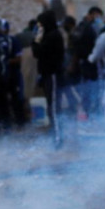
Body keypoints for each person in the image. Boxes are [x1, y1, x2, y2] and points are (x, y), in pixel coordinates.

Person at [32, 10, 65, 148]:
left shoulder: (53, 36)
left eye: (40, 25)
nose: (39, 27)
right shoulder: (50, 35)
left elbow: (39, 52)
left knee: (54, 107)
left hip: (53, 74)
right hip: (47, 74)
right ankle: (55, 134)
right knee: (51, 106)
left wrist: (36, 41)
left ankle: (58, 138)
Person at [70, 6, 104, 118]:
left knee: (94, 89)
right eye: (96, 15)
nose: (98, 18)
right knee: (87, 90)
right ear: (91, 15)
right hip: (86, 62)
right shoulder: (84, 27)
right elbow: (77, 45)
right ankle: (89, 113)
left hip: (93, 62)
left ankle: (93, 113)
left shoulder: (95, 27)